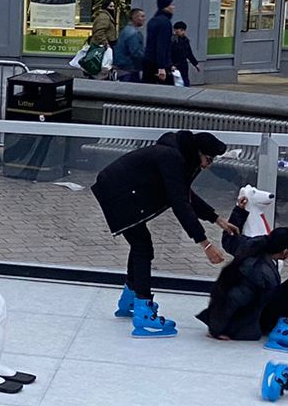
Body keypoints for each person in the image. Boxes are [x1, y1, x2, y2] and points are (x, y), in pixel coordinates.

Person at [93, 130, 229, 337]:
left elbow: (184, 194)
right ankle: (143, 313)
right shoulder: (172, 158)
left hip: (120, 190)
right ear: (197, 152)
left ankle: (130, 300)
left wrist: (216, 219)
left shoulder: (178, 154)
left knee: (141, 245)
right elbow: (180, 203)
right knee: (142, 246)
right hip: (118, 194)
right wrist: (205, 244)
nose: (207, 165)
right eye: (208, 159)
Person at [199, 228, 288, 350]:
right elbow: (233, 298)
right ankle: (284, 326)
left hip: (264, 300)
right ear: (285, 251)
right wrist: (216, 329)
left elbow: (230, 239)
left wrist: (239, 211)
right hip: (255, 318)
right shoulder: (257, 270)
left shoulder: (255, 247)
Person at [141, 0, 176, 83]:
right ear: (165, 7)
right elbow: (162, 45)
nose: (173, 7)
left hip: (149, 61)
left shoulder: (153, 20)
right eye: (171, 5)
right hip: (159, 64)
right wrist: (162, 67)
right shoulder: (165, 23)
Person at [112, 8, 147, 82]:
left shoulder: (125, 30)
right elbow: (135, 53)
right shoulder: (134, 34)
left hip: (122, 68)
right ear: (135, 18)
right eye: (142, 16)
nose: (144, 19)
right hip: (130, 69)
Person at [168, 20, 200, 86]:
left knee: (185, 81)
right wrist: (171, 65)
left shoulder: (185, 40)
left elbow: (189, 53)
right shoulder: (172, 41)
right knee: (176, 83)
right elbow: (168, 54)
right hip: (175, 66)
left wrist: (195, 64)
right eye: (181, 30)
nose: (183, 32)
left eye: (183, 30)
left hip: (183, 65)